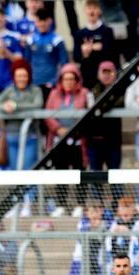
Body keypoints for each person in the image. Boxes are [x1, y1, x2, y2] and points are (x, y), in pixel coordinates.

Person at [44, 63, 93, 217]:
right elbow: (48, 114)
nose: (69, 82)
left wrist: (74, 131)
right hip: (59, 139)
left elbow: (89, 114)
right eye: (66, 79)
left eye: (72, 79)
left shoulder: (85, 93)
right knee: (61, 172)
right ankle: (61, 204)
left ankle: (80, 204)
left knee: (79, 172)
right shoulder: (53, 94)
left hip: (78, 140)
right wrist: (58, 129)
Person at [25, 7, 68, 98]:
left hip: (50, 83)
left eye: (44, 20)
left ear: (50, 21)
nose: (42, 24)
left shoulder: (57, 40)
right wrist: (28, 81)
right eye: (39, 21)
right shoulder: (31, 40)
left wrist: (55, 81)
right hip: (33, 84)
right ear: (35, 22)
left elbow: (64, 64)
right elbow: (26, 62)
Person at [73, 0, 116, 89]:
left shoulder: (107, 31)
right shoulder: (80, 33)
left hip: (105, 73)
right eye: (89, 8)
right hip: (87, 74)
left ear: (100, 10)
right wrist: (85, 54)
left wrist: (97, 47)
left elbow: (112, 53)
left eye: (95, 8)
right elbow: (76, 57)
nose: (92, 11)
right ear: (85, 11)